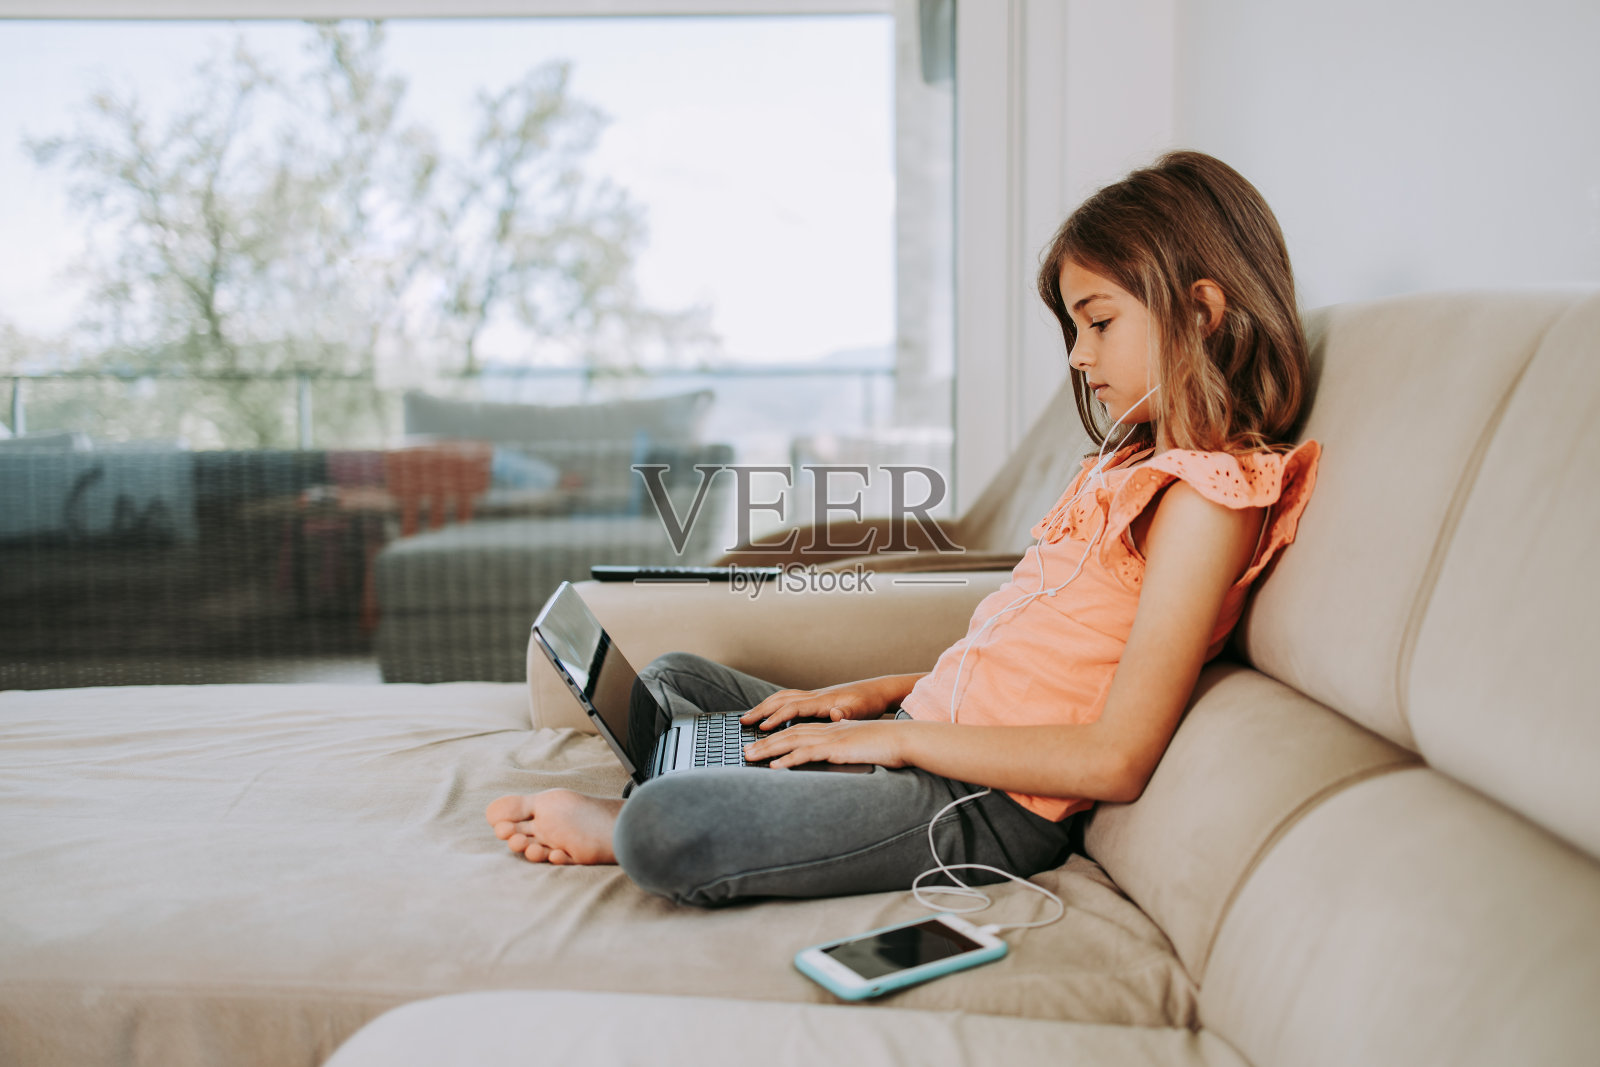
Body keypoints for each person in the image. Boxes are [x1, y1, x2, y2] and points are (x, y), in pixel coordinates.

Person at [485, 150, 1321, 908]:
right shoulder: (1124, 465)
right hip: (935, 738)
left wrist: (891, 738)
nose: (1076, 355)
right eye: (1076, 329)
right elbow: (1031, 664)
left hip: (984, 803)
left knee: (661, 829)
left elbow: (1115, 755)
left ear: (1204, 312)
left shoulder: (1209, 502)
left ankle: (646, 810)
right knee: (678, 681)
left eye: (1098, 322)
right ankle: (708, 770)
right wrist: (876, 695)